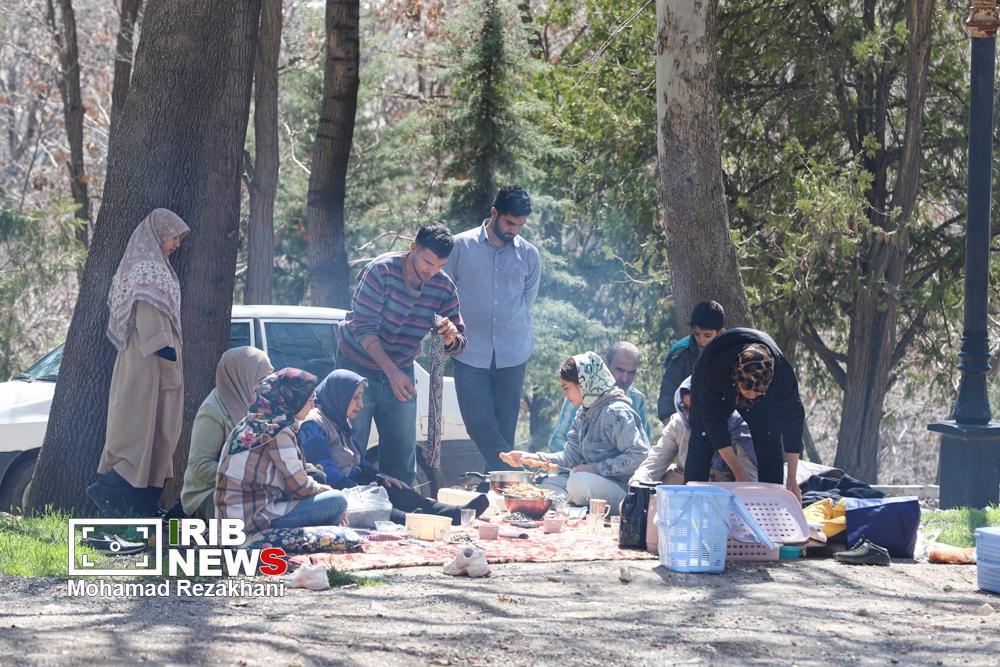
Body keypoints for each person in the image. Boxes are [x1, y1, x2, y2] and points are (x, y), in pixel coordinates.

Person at [337, 224, 467, 485]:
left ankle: (400, 508)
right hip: (356, 367)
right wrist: (392, 373)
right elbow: (364, 329)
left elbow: (460, 343)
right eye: (427, 262)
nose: (431, 271)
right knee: (349, 453)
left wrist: (451, 336)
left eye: (440, 265)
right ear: (413, 248)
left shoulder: (443, 287)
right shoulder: (380, 271)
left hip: (402, 369)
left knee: (402, 460)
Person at [87, 208, 190, 518]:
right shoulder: (147, 269)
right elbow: (148, 316)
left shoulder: (156, 266)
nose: (177, 244)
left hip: (155, 363)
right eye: (174, 237)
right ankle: (108, 493)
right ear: (159, 234)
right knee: (139, 430)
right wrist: (166, 351)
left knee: (159, 432)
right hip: (148, 364)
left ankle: (143, 504)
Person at [299, 369, 489, 525]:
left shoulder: (339, 421)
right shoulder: (313, 425)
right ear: (339, 396)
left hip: (355, 485)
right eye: (355, 398)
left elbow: (360, 463)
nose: (361, 404)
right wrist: (361, 490)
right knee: (381, 508)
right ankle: (415, 521)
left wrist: (380, 478)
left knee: (400, 491)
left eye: (361, 397)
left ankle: (457, 513)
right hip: (339, 492)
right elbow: (327, 472)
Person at [445, 186, 541, 472]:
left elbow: (527, 300)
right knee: (478, 425)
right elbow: (443, 292)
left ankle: (501, 488)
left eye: (520, 225)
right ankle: (515, 474)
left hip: (513, 352)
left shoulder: (530, 254)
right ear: (494, 213)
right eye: (510, 223)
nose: (514, 230)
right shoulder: (460, 246)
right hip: (469, 351)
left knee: (504, 429)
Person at [504, 352, 649, 513]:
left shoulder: (616, 412)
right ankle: (569, 508)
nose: (565, 394)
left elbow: (639, 455)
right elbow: (570, 457)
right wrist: (532, 458)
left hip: (622, 490)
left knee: (578, 483)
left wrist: (596, 468)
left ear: (583, 384)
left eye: (566, 388)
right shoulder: (584, 413)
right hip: (588, 483)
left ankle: (568, 506)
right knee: (545, 485)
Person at [216, 368, 348, 532]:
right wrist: (326, 489)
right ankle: (322, 542)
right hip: (252, 520)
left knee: (317, 477)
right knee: (337, 501)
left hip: (233, 517)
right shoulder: (277, 431)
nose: (313, 405)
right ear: (294, 399)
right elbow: (300, 488)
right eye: (310, 399)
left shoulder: (253, 420)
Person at [686, 328, 805, 500]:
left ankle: (772, 502)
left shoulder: (782, 375)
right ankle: (691, 500)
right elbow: (714, 425)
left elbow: (793, 421)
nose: (751, 396)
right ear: (737, 378)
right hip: (715, 382)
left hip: (759, 393)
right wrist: (738, 472)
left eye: (757, 392)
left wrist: (792, 479)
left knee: (769, 438)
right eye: (747, 391)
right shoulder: (713, 369)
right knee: (702, 437)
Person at [180, 347, 273, 520]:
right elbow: (200, 466)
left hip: (252, 488)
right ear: (242, 377)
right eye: (261, 380)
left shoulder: (257, 404)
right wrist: (245, 476)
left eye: (268, 379)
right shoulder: (213, 410)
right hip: (209, 494)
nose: (266, 386)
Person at [630, 377, 756, 486]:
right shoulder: (679, 423)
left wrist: (713, 479)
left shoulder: (738, 428)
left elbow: (750, 481)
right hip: (682, 493)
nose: (691, 416)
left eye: (697, 409)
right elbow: (656, 462)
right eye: (685, 407)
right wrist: (638, 482)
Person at [549, 342, 650, 453]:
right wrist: (581, 459)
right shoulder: (580, 394)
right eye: (620, 370)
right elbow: (557, 441)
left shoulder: (637, 399)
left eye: (631, 372)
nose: (625, 378)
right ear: (605, 364)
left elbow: (643, 447)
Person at [658, 300, 726, 424]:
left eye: (707, 335)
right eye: (697, 334)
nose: (701, 341)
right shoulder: (681, 353)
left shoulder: (729, 351)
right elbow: (668, 390)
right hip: (687, 419)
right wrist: (670, 422)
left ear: (720, 332)